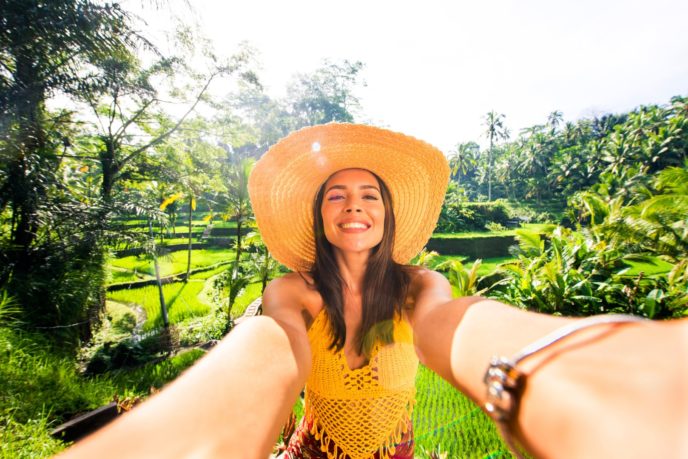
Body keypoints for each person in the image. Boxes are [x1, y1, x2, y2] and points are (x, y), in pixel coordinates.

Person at [60, 124, 687, 459]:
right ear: (319, 215)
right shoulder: (294, 292)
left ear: (386, 214)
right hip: (313, 455)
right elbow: (267, 351)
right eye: (337, 194)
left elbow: (457, 327)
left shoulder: (420, 288)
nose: (353, 207)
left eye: (369, 196)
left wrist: (574, 365)